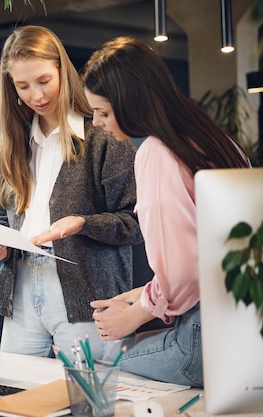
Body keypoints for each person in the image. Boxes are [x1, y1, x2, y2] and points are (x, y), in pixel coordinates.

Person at [83, 36, 250, 388]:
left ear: (130, 102)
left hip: (202, 342)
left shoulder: (156, 155)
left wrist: (133, 316)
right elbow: (212, 257)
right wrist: (140, 296)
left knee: (98, 368)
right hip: (245, 329)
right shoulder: (216, 139)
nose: (97, 123)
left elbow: (184, 270)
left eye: (103, 112)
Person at [0, 25, 143, 360]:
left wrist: (83, 223)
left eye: (43, 81)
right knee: (16, 397)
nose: (35, 95)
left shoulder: (103, 137)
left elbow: (135, 222)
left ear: (61, 71)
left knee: (89, 402)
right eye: (22, 86)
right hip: (21, 291)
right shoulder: (9, 148)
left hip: (89, 296)